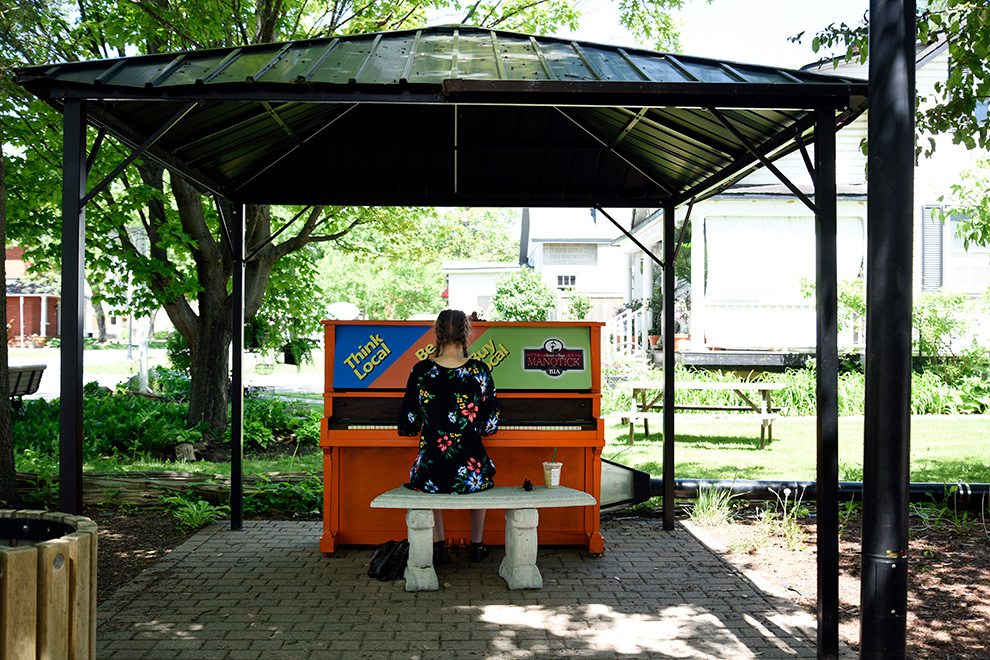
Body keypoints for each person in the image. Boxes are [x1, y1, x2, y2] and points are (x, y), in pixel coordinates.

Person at [397, 309, 499, 564]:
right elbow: (490, 425)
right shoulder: (479, 371)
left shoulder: (420, 370)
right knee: (478, 476)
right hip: (470, 467)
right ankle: (477, 546)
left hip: (431, 465)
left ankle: (439, 546)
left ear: (437, 333)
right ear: (466, 334)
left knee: (433, 476)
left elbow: (408, 420)